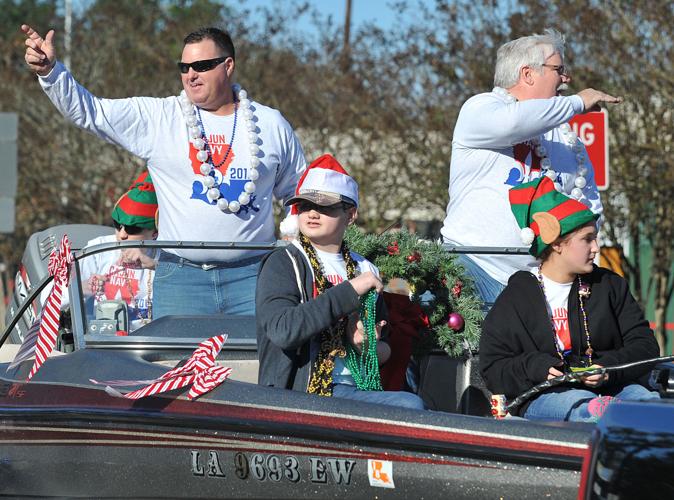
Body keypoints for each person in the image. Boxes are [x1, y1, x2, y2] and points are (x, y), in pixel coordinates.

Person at [21, 24, 306, 317]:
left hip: (254, 277)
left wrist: (295, 247)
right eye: (184, 67)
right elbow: (92, 112)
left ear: (228, 65)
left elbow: (299, 193)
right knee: (175, 364)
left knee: (260, 364)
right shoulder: (160, 118)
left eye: (202, 65)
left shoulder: (270, 124)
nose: (191, 74)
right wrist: (50, 72)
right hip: (182, 279)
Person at [440, 28, 622, 308]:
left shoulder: (568, 139)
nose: (566, 78)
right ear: (527, 74)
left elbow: (590, 209)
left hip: (540, 285)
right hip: (472, 270)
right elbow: (513, 123)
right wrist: (577, 102)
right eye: (558, 69)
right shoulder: (480, 108)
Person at [479, 176, 660, 422]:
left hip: (610, 388)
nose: (596, 247)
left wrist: (608, 368)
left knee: (649, 404)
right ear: (557, 244)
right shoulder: (517, 297)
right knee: (588, 408)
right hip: (544, 395)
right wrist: (537, 367)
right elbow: (493, 367)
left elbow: (645, 346)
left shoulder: (609, 285)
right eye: (587, 239)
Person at [256, 154, 425, 410]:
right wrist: (350, 290)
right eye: (303, 205)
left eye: (325, 206)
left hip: (355, 390)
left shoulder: (364, 268)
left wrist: (364, 345)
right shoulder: (284, 262)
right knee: (410, 407)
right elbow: (283, 331)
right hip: (299, 396)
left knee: (416, 404)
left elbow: (383, 352)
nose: (312, 213)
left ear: (351, 214)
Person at [80, 171, 159, 331]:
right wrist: (85, 287)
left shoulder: (168, 255)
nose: (122, 234)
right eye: (117, 225)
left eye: (132, 228)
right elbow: (51, 297)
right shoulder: (99, 249)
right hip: (103, 341)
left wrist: (153, 265)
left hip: (152, 343)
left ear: (155, 232)